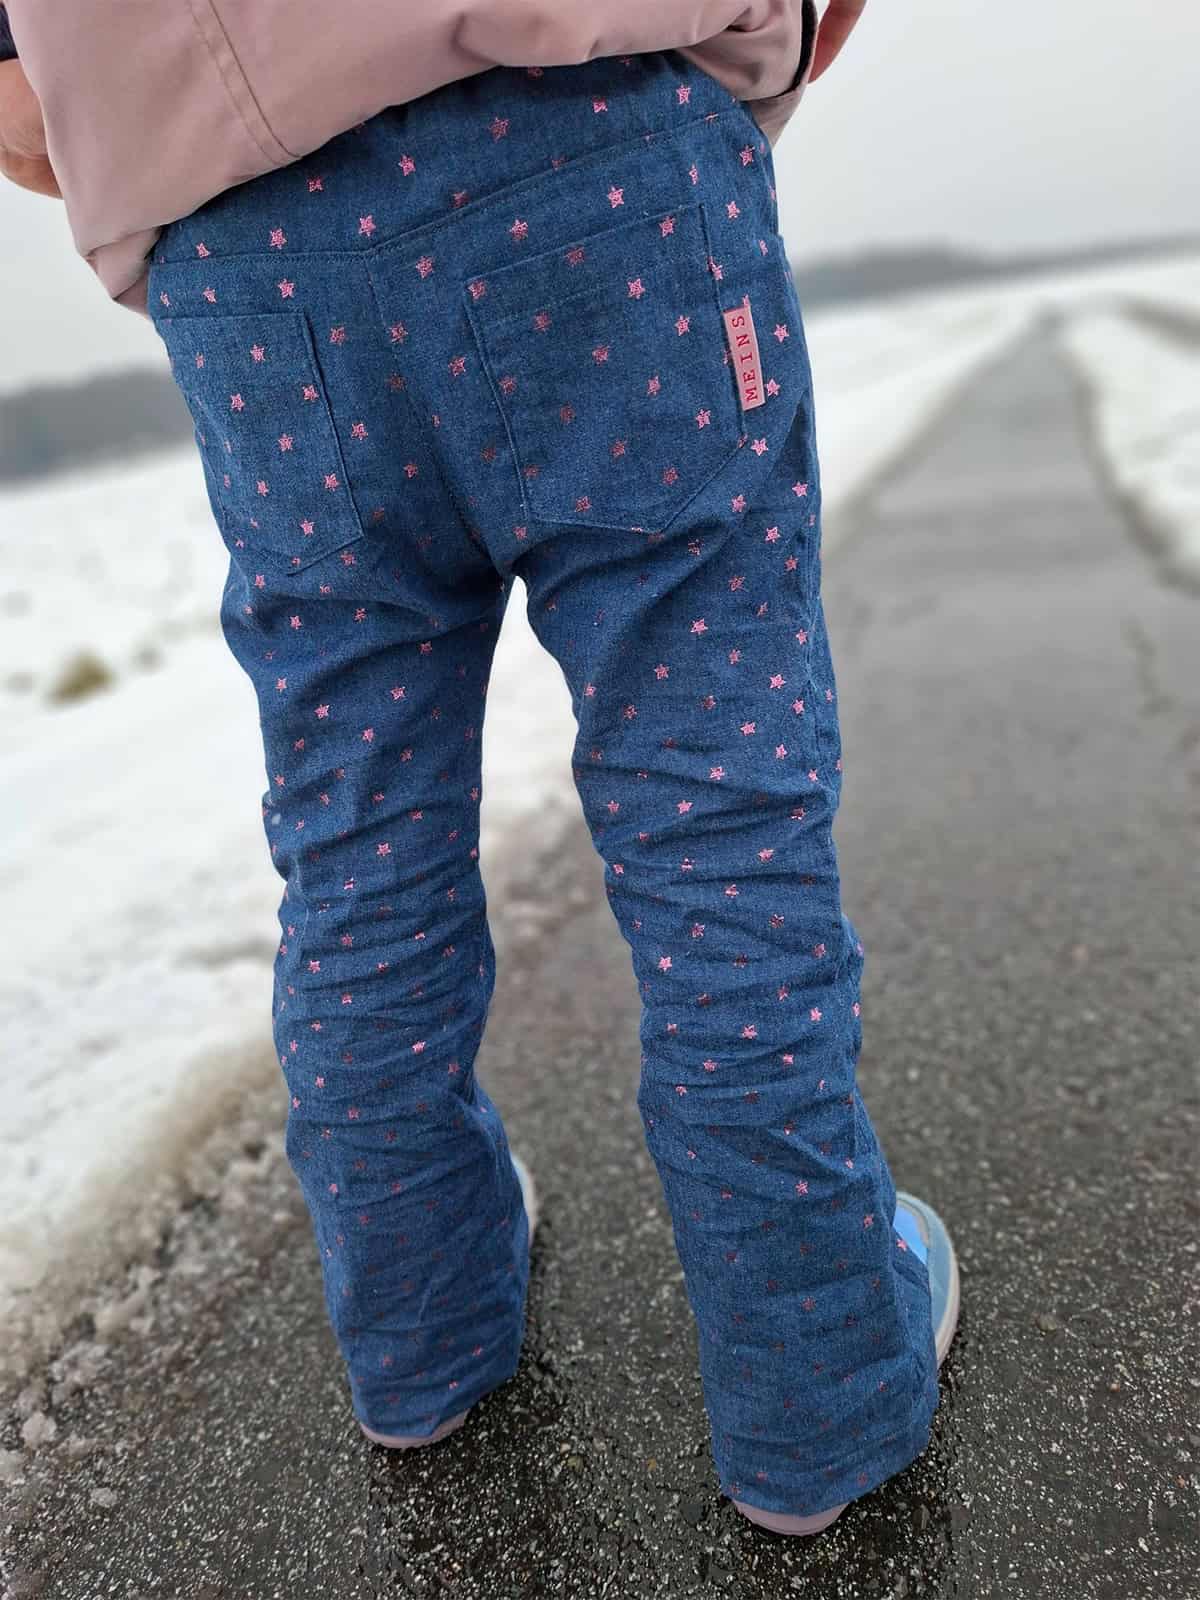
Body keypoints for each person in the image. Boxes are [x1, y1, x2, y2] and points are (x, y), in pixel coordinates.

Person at [1, 0, 959, 1537]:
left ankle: (422, 1338)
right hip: (595, 151)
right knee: (715, 804)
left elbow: (25, 113)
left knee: (359, 830)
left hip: (252, 264)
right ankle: (820, 1389)